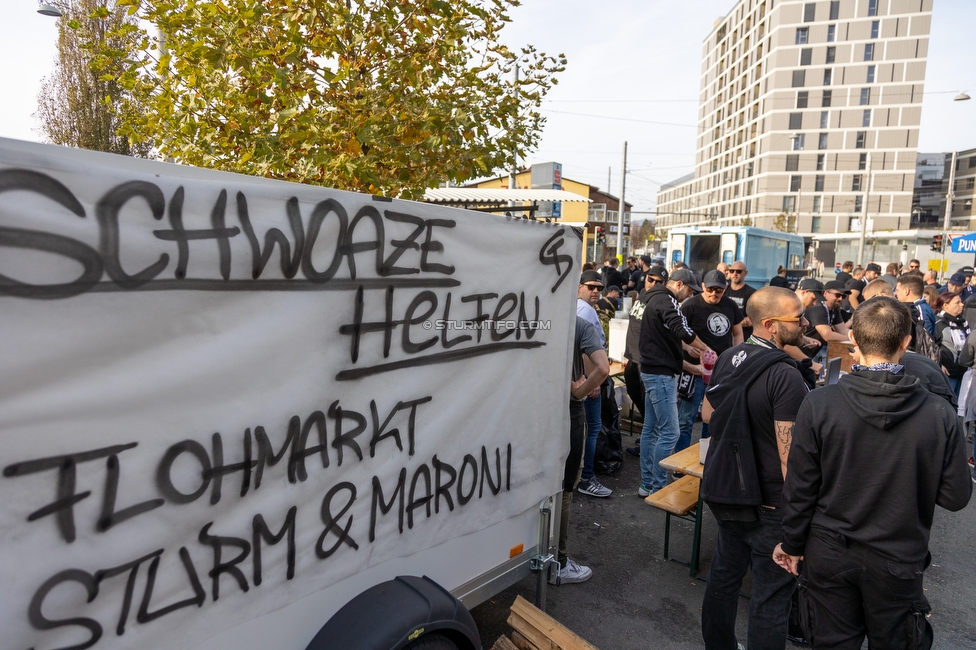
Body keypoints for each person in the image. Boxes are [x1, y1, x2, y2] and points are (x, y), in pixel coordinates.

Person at [773, 297, 972, 648]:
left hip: (830, 551)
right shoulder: (939, 414)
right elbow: (955, 496)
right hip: (897, 557)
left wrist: (791, 543)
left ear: (854, 340)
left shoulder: (820, 404)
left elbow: (800, 486)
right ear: (906, 342)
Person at [699, 287, 810, 650]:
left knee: (724, 578)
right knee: (770, 598)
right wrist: (800, 517)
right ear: (772, 325)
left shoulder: (731, 356)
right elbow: (789, 458)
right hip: (770, 503)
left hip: (729, 489)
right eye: (797, 317)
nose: (805, 322)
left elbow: (707, 414)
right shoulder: (785, 376)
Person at [637, 268, 710, 496]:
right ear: (679, 284)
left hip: (653, 371)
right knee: (670, 432)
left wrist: (688, 349)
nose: (690, 295)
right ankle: (658, 488)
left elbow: (667, 335)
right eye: (690, 290)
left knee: (651, 430)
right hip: (660, 375)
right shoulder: (666, 301)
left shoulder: (656, 298)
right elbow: (684, 330)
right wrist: (709, 350)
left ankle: (647, 485)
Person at [559, 316, 610, 584]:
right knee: (565, 489)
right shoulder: (578, 323)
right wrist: (577, 390)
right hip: (568, 413)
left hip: (531, 410)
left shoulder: (532, 312)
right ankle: (559, 561)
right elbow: (603, 368)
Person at [676, 269, 743, 453]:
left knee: (713, 418)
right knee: (685, 419)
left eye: (719, 290)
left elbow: (738, 334)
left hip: (722, 372)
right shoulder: (690, 306)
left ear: (725, 289)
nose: (714, 294)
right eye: (710, 289)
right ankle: (680, 462)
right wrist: (689, 349)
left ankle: (707, 459)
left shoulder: (730, 306)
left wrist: (736, 357)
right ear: (702, 286)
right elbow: (678, 334)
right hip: (695, 371)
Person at [623, 266, 670, 458]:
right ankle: (647, 436)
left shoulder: (663, 300)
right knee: (634, 394)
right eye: (651, 279)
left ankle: (649, 445)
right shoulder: (642, 293)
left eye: (659, 282)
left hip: (647, 360)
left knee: (650, 402)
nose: (653, 284)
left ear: (665, 284)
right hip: (632, 357)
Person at [576, 270, 612, 498]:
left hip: (582, 379)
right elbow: (584, 351)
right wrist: (593, 382)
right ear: (579, 287)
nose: (596, 291)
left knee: (588, 428)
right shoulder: (585, 311)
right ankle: (586, 477)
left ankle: (583, 474)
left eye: (599, 288)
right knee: (592, 428)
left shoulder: (580, 308)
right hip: (588, 379)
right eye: (591, 287)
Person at [934, 291, 970, 397]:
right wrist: (939, 364)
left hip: (962, 371)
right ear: (945, 306)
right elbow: (930, 346)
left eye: (961, 302)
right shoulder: (939, 323)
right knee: (947, 401)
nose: (962, 304)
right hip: (947, 373)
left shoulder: (963, 323)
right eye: (957, 302)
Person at [725, 260, 757, 340]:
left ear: (745, 273)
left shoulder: (752, 293)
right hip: (725, 338)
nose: (735, 274)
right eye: (732, 271)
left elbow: (755, 319)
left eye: (738, 271)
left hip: (744, 337)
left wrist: (730, 323)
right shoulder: (723, 290)